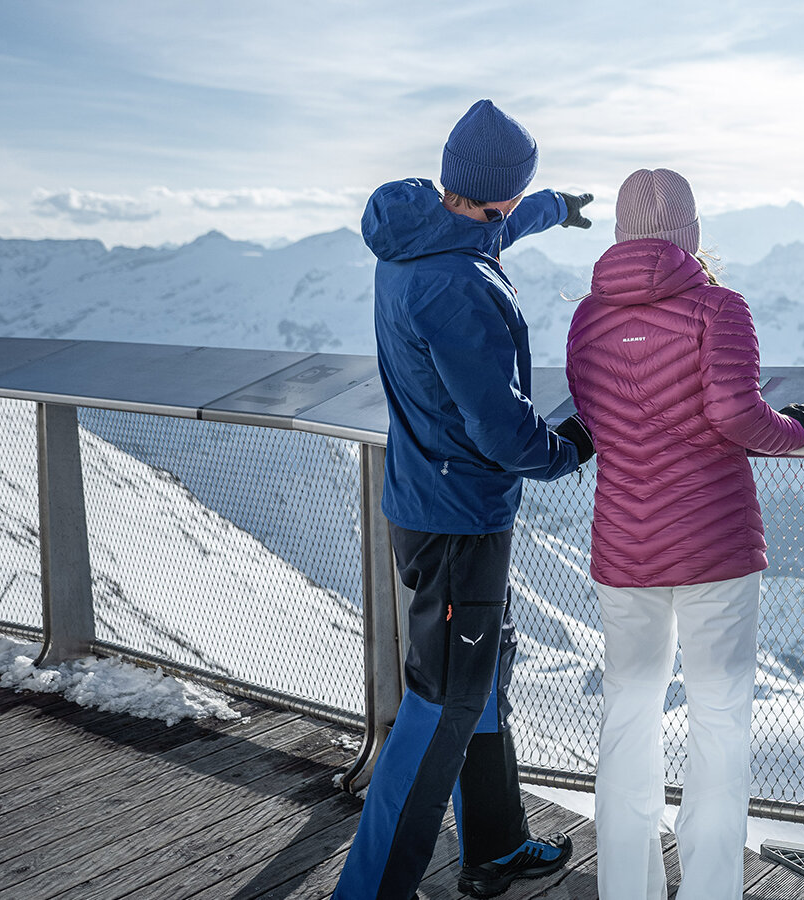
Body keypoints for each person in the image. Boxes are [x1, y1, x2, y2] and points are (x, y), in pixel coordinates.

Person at [335, 98, 598, 900]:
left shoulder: (421, 231)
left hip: (428, 499)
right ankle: (371, 888)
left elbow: (486, 228)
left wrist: (554, 210)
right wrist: (572, 446)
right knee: (441, 698)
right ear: (500, 194)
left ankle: (493, 847)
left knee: (474, 683)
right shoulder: (458, 287)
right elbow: (500, 428)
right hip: (459, 517)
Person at [565, 167, 804, 900]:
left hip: (624, 547)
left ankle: (626, 891)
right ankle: (710, 890)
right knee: (718, 724)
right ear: (693, 233)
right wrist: (798, 428)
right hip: (713, 545)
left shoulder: (587, 318)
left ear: (619, 235)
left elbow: (599, 421)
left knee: (628, 719)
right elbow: (739, 419)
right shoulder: (719, 307)